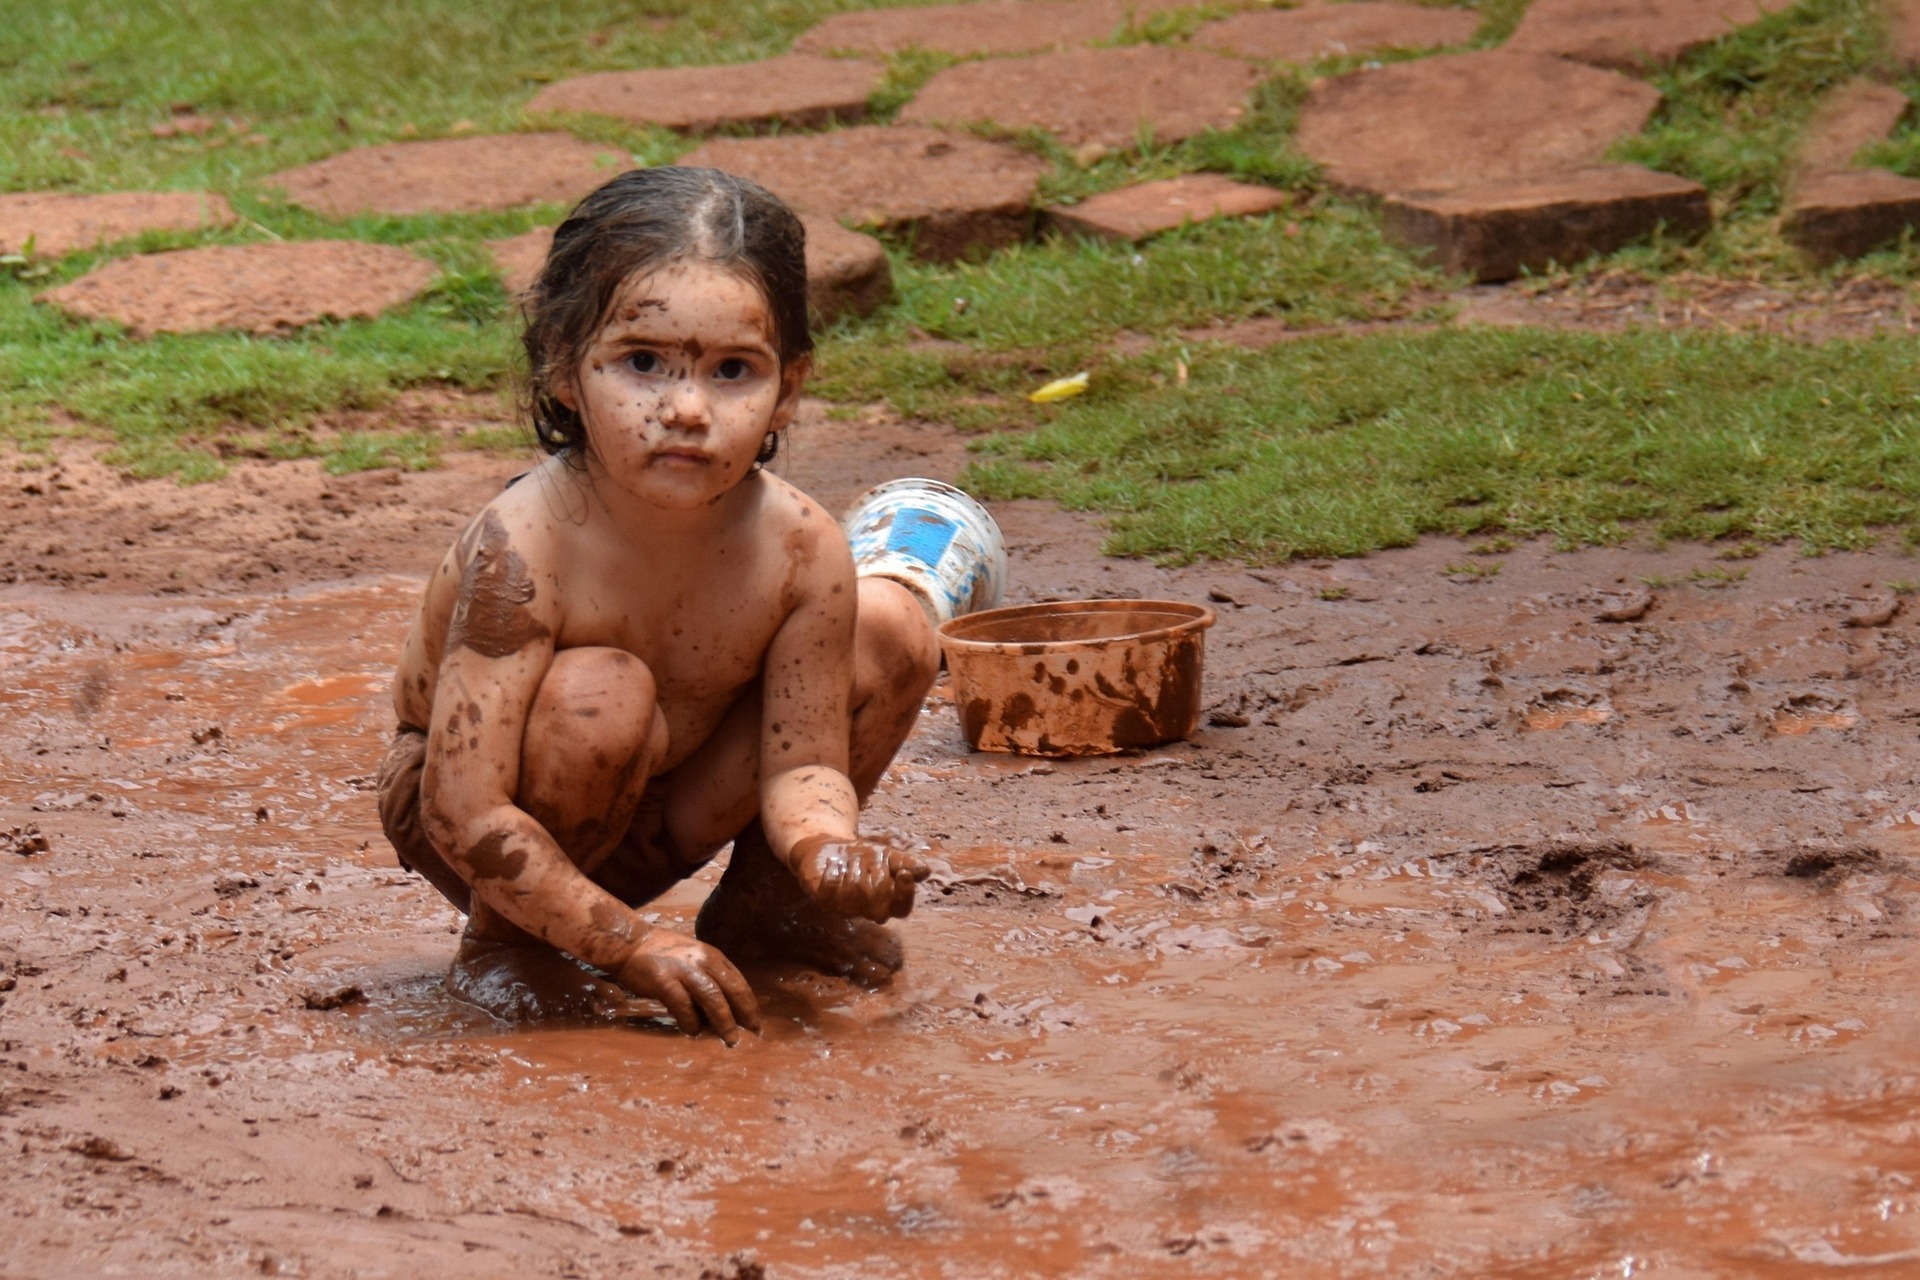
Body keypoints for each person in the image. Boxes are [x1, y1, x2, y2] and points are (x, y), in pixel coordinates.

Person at [375, 167, 942, 1044]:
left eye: (732, 371)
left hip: (669, 806)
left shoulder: (800, 547)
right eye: (642, 363)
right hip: (483, 832)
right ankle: (505, 946)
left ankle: (766, 911)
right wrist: (629, 943)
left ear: (788, 388)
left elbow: (800, 765)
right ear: (565, 369)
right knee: (600, 692)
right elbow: (463, 807)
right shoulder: (525, 545)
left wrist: (824, 850)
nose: (685, 408)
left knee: (894, 625)